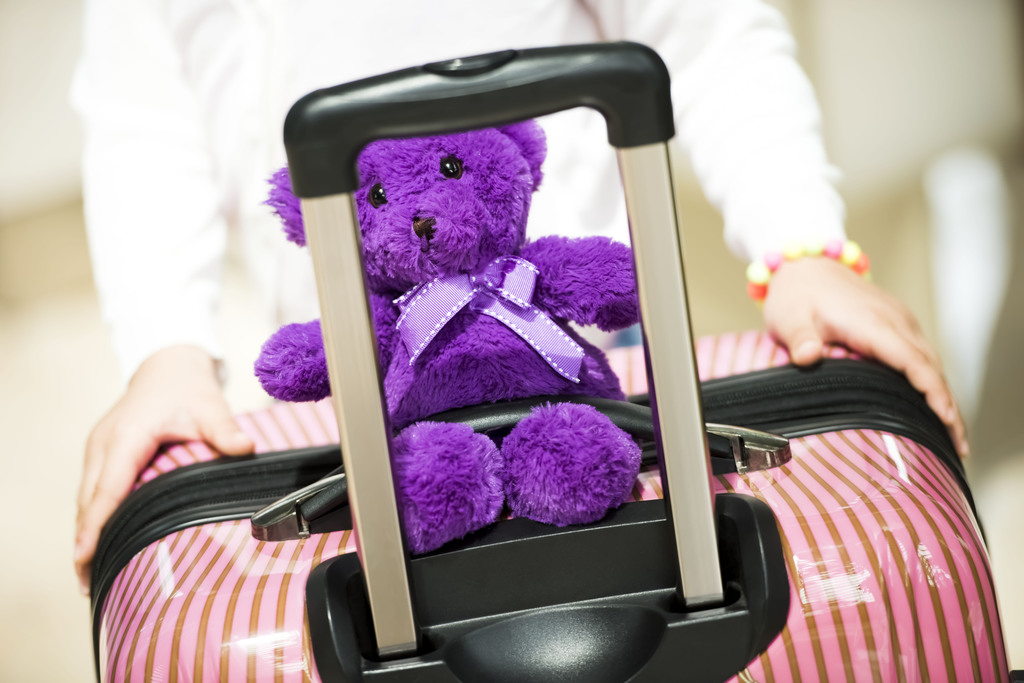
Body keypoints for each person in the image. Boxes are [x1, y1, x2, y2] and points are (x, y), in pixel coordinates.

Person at [71, 0, 967, 594]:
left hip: (576, 348)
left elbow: (706, 30)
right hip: (369, 379)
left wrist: (799, 243)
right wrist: (166, 346)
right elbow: (143, 127)